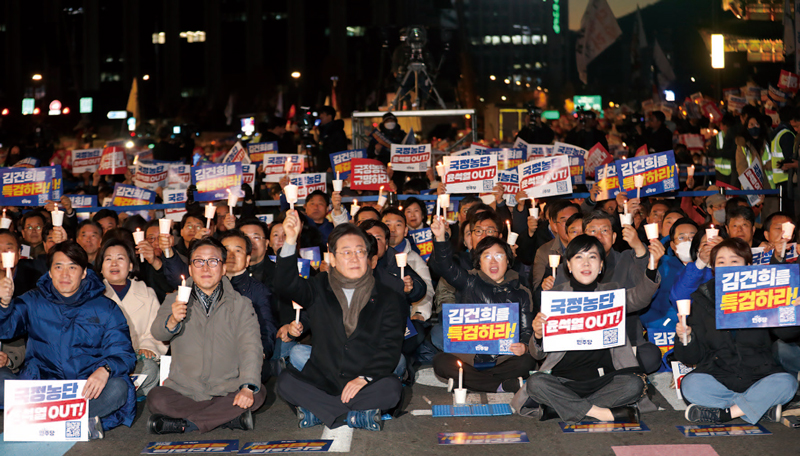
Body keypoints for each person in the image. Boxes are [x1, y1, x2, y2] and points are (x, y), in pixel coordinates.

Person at [275, 217, 406, 431]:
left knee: (391, 388)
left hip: (364, 381)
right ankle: (354, 416)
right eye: (346, 252)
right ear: (333, 258)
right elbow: (285, 284)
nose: (354, 258)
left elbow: (390, 346)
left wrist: (364, 378)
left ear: (369, 256)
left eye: (360, 251)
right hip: (323, 379)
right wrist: (290, 240)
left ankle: (320, 412)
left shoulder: (388, 296)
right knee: (285, 382)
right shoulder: (318, 287)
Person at [513, 234, 662, 422]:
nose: (586, 264)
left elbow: (640, 297)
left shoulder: (611, 293)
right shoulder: (555, 296)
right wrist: (537, 335)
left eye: (592, 257)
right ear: (568, 265)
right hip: (564, 381)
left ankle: (560, 408)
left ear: (600, 266)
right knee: (536, 382)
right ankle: (599, 412)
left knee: (634, 385)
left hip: (604, 380)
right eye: (578, 257)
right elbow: (537, 355)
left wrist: (652, 265)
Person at [0, 241, 137, 439]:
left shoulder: (106, 308)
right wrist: (4, 304)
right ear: (49, 272)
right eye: (58, 267)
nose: (65, 274)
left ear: (83, 273)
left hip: (84, 389)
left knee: (119, 387)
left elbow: (124, 353)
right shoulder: (32, 301)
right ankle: (74, 425)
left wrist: (105, 369)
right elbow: (5, 329)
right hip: (42, 388)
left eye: (72, 267)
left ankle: (43, 424)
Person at [147, 237, 266, 434]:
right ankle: (227, 418)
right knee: (156, 398)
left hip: (228, 388)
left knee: (257, 391)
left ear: (224, 268)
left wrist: (246, 387)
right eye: (199, 262)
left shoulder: (241, 304)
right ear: (191, 269)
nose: (206, 268)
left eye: (213, 261)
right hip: (184, 390)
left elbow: (250, 347)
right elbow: (157, 332)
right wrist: (172, 320)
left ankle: (185, 424)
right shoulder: (174, 299)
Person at [674, 238, 800, 424]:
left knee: (787, 383)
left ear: (748, 265)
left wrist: (791, 312)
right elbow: (691, 359)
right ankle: (758, 407)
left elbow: (787, 335)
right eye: (721, 262)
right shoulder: (703, 298)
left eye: (734, 261)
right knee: (691, 385)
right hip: (718, 372)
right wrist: (686, 338)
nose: (727, 266)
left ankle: (725, 413)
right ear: (714, 268)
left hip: (760, 373)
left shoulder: (764, 293)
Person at [429, 214, 535, 393]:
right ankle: (501, 385)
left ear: (508, 260)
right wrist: (440, 238)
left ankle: (467, 382)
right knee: (441, 361)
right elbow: (445, 266)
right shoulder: (468, 280)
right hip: (468, 357)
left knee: (527, 361)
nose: (493, 261)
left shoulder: (521, 291)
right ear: (478, 261)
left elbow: (526, 331)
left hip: (504, 358)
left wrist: (524, 346)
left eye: (499, 256)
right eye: (487, 256)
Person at [97, 238, 167, 397]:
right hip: (105, 361)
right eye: (108, 259)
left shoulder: (147, 293)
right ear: (101, 267)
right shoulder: (93, 296)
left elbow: (156, 329)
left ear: (130, 265)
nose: (114, 263)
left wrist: (148, 347)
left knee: (149, 369)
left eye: (120, 258)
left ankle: (127, 396)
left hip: (137, 357)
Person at [531, 201, 580, 290]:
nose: (569, 225)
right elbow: (537, 290)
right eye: (564, 221)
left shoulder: (593, 248)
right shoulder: (544, 252)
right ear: (554, 226)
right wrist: (544, 286)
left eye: (574, 220)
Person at [317, 106, 349, 171]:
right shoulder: (323, 131)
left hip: (332, 168)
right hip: (323, 167)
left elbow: (341, 150)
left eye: (323, 114)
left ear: (329, 116)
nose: (320, 116)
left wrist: (332, 166)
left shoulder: (337, 131)